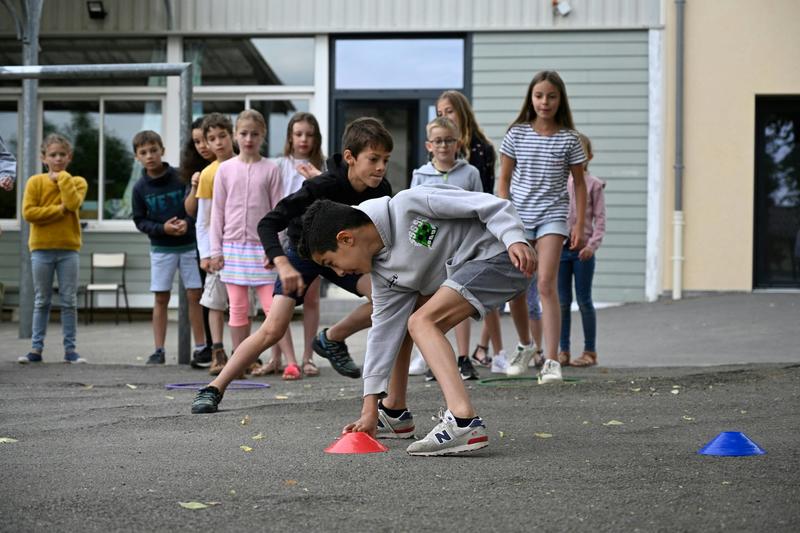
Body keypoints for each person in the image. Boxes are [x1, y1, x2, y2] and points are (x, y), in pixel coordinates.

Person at [298, 185, 534, 455]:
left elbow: (490, 205)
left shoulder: (410, 204)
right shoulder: (383, 275)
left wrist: (514, 237)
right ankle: (394, 411)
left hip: (502, 256)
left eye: (331, 263)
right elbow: (382, 335)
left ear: (346, 239)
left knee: (422, 322)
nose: (339, 272)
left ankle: (464, 421)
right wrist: (369, 409)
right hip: (471, 272)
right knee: (406, 321)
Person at [190, 117, 393, 414]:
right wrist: (282, 262)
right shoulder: (322, 185)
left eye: (385, 160)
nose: (380, 167)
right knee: (273, 329)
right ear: (350, 157)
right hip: (303, 255)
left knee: (385, 299)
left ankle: (331, 338)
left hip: (344, 256)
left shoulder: (381, 189)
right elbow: (268, 223)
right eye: (373, 159)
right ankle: (213, 388)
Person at [498, 70, 587, 383]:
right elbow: (504, 180)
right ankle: (525, 346)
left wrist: (579, 223)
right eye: (539, 96)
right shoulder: (517, 134)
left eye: (551, 96)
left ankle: (551, 360)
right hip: (519, 217)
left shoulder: (569, 139)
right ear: (531, 99)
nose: (544, 102)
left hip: (552, 216)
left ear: (560, 99)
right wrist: (504, 218)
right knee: (518, 286)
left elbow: (579, 185)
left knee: (546, 284)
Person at [208, 110, 289, 377]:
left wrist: (275, 250)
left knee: (272, 307)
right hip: (232, 249)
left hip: (262, 249)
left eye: (254, 134)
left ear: (263, 135)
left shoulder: (271, 169)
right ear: (235, 135)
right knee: (238, 308)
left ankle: (280, 359)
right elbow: (216, 212)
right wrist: (215, 250)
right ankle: (239, 361)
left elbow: (279, 211)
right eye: (243, 133)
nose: (249, 138)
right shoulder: (225, 170)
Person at [408, 116, 482, 382]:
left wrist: (475, 244)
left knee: (460, 300)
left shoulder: (469, 173)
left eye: (448, 140)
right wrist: (419, 249)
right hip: (432, 248)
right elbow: (414, 212)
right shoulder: (420, 175)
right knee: (431, 301)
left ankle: (463, 358)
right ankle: (433, 359)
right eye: (438, 141)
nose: (443, 146)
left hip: (462, 245)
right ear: (429, 145)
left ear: (457, 143)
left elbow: (479, 207)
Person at [436, 90, 506, 371]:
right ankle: (438, 347)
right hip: (448, 228)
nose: (445, 117)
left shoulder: (480, 148)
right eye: (440, 113)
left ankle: (493, 348)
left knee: (481, 289)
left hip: (474, 224)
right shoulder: (441, 145)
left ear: (462, 112)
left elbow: (484, 192)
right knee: (446, 288)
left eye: (449, 111)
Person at [131, 130, 206, 365]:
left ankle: (201, 347)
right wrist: (163, 228)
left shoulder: (179, 177)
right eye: (143, 152)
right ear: (137, 157)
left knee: (195, 294)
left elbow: (195, 206)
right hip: (161, 249)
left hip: (188, 245)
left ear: (162, 150)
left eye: (153, 150)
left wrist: (187, 223)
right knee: (161, 297)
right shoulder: (139, 188)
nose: (150, 156)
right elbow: (139, 220)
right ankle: (159, 349)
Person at [261, 111, 327, 378]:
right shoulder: (278, 164)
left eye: (309, 135)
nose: (303, 139)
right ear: (289, 136)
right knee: (280, 297)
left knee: (310, 298)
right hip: (283, 233)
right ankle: (276, 356)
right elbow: (271, 202)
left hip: (312, 235)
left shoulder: (322, 165)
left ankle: (308, 356)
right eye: (298, 134)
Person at [18, 134, 87, 364]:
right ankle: (36, 349)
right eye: (52, 155)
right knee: (42, 300)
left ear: (69, 157)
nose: (57, 159)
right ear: (43, 157)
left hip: (69, 249)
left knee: (69, 300)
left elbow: (73, 203)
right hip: (41, 249)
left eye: (62, 155)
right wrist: (58, 210)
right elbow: (29, 213)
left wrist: (63, 179)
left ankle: (71, 350)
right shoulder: (35, 182)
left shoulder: (76, 181)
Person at [558, 133, 606, 367]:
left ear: (589, 156)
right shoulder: (559, 183)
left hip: (583, 251)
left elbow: (600, 220)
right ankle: (563, 350)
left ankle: (590, 351)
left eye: (581, 153)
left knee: (584, 300)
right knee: (562, 302)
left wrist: (591, 245)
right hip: (561, 250)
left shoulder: (594, 185)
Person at [193, 113, 236, 375]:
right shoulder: (209, 174)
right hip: (218, 249)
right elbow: (203, 219)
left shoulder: (245, 165)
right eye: (212, 139)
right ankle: (218, 352)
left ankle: (243, 352)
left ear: (231, 135)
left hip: (243, 248)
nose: (218, 143)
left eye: (222, 136)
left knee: (241, 304)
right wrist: (206, 253)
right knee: (215, 302)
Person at [182, 116, 217, 368]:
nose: (203, 146)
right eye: (197, 142)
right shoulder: (197, 172)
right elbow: (191, 211)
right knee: (209, 296)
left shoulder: (231, 164)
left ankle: (245, 349)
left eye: (206, 139)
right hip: (206, 243)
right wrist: (195, 186)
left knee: (240, 300)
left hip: (235, 240)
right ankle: (212, 348)